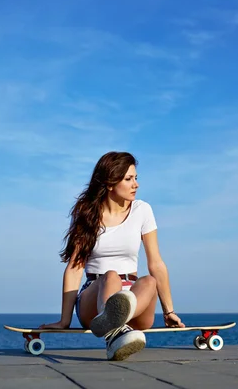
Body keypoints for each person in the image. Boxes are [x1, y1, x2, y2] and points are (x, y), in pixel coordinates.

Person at [39, 151, 184, 361]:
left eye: (136, 178)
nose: (136, 184)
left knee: (150, 281)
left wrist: (169, 311)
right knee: (111, 276)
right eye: (128, 179)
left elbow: (156, 263)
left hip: (135, 299)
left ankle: (117, 325)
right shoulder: (86, 213)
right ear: (109, 184)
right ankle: (113, 330)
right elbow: (75, 267)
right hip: (94, 298)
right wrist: (64, 320)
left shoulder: (143, 210)